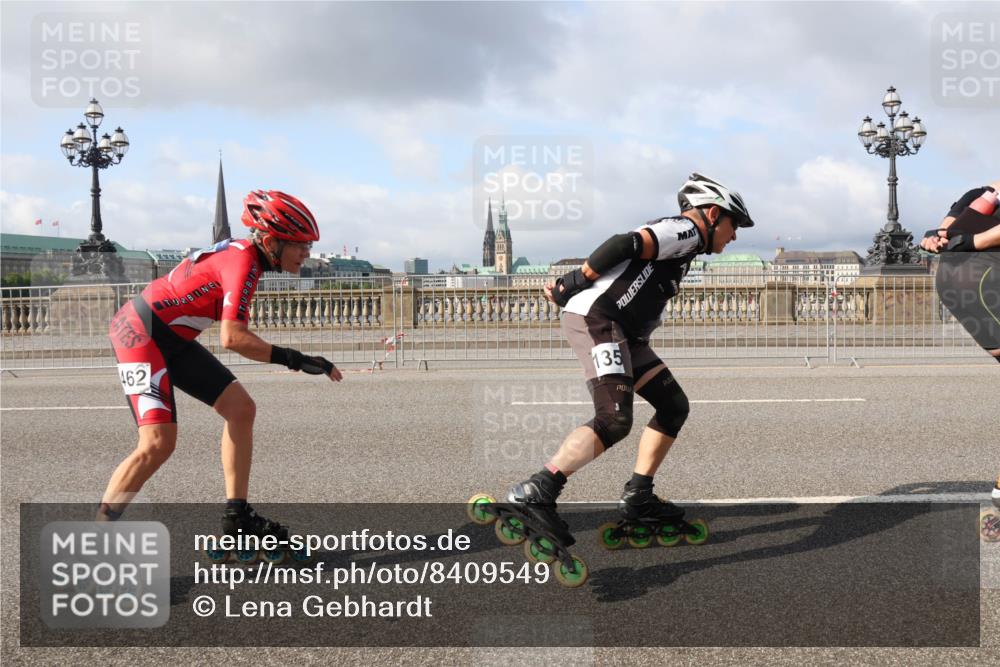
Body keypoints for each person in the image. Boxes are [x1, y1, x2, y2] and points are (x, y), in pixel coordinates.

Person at [505, 173, 754, 546]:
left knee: (673, 406)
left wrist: (571, 289)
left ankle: (639, 494)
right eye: (734, 225)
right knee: (615, 418)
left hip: (626, 335)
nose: (734, 236)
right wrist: (574, 281)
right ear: (714, 213)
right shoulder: (685, 231)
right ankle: (538, 490)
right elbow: (625, 244)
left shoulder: (688, 246)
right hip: (601, 322)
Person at [100, 190, 343, 541]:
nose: (307, 253)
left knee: (241, 409)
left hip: (172, 336)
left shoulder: (249, 258)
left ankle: (237, 514)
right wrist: (295, 358)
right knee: (157, 443)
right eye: (301, 245)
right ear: (272, 241)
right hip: (140, 332)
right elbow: (233, 337)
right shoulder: (244, 263)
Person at [920, 181, 1000, 511]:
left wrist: (937, 237)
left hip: (956, 281)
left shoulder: (980, 193)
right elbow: (962, 236)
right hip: (983, 277)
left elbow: (943, 232)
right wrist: (973, 240)